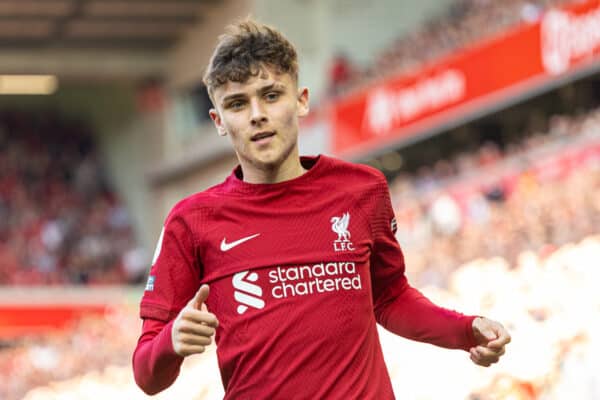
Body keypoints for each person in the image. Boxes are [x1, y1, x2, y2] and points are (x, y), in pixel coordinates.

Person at [132, 20, 511, 399]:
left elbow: (390, 297)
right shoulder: (191, 221)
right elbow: (147, 374)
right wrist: (172, 341)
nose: (256, 114)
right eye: (237, 103)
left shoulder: (361, 190)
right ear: (218, 121)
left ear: (301, 100)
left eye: (271, 95)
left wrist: (464, 330)